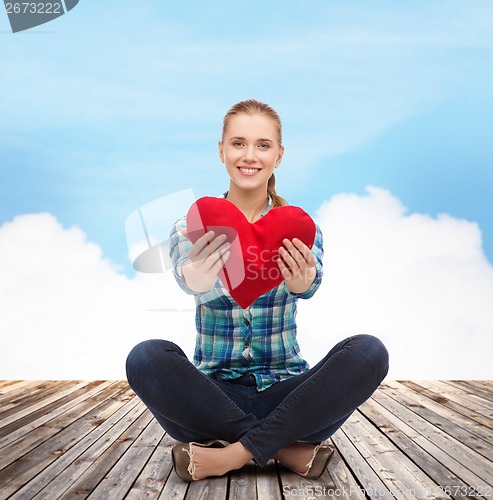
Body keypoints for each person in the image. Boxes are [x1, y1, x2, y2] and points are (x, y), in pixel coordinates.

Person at [126, 99, 389, 482]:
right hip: (212, 399)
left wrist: (301, 282)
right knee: (145, 357)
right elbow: (188, 280)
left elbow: (310, 285)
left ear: (279, 155)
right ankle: (282, 449)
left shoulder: (299, 227)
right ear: (221, 150)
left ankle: (229, 454)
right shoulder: (193, 224)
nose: (249, 156)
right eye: (238, 143)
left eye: (263, 145)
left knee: (369, 351)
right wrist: (198, 276)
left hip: (290, 397)